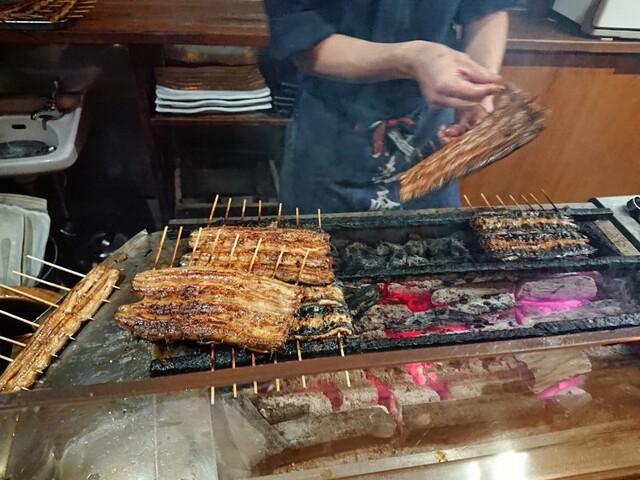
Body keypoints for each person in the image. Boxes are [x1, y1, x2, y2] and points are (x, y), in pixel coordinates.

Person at [263, 1, 518, 214]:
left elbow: (488, 10)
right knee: (310, 246)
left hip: (431, 122)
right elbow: (303, 42)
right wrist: (413, 58)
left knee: (439, 245)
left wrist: (477, 89)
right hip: (330, 125)